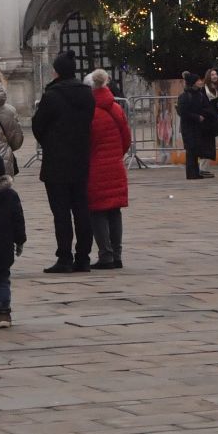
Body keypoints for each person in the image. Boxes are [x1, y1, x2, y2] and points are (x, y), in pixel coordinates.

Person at [31, 49, 95, 271]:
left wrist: (50, 142)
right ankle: (84, 257)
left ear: (57, 71)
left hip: (57, 161)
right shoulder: (87, 94)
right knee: (81, 208)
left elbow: (38, 126)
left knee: (61, 212)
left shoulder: (52, 96)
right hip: (81, 158)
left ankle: (65, 256)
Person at [87, 69, 131, 268]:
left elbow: (86, 142)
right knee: (115, 211)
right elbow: (126, 139)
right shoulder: (116, 108)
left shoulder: (89, 112)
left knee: (98, 212)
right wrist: (116, 155)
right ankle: (118, 255)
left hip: (96, 167)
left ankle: (106, 255)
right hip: (115, 165)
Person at [0, 154, 27, 326]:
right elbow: (18, 220)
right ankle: (4, 312)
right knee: (3, 278)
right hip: (5, 245)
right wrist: (20, 240)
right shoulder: (10, 195)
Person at [176, 70, 218, 180]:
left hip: (198, 127)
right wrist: (197, 117)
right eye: (198, 80)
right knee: (190, 150)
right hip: (188, 127)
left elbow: (206, 108)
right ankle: (191, 173)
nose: (201, 82)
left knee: (196, 149)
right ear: (193, 82)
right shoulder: (184, 96)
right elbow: (183, 112)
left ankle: (196, 173)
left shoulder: (200, 95)